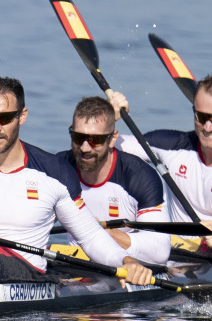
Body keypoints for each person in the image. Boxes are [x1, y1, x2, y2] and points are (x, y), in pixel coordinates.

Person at [0, 77, 153, 287]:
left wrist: (126, 262)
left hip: (22, 279)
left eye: (4, 118)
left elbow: (89, 237)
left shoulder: (55, 173)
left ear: (22, 116)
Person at [112, 73, 212, 254]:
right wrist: (109, 118)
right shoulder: (172, 145)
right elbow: (107, 148)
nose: (208, 127)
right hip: (181, 255)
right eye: (201, 116)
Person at [55, 96, 171, 265]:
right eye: (78, 137)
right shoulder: (59, 168)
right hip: (76, 265)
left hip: (129, 265)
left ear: (113, 138)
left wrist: (95, 231)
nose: (85, 148)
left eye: (96, 140)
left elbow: (159, 251)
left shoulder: (139, 177)